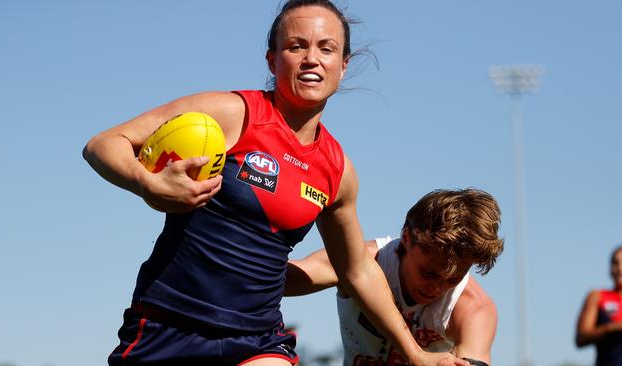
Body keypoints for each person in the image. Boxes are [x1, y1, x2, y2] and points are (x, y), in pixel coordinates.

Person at [83, 1, 469, 365]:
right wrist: (145, 182)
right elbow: (103, 144)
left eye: (326, 48)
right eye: (296, 46)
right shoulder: (231, 113)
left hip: (257, 340)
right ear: (273, 59)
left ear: (344, 64)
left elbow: (356, 269)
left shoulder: (337, 171)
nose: (311, 59)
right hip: (167, 327)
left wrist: (416, 355)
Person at [286, 188, 504, 366]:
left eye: (453, 278)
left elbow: (473, 358)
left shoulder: (473, 308)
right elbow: (274, 277)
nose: (437, 288)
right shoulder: (363, 262)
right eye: (429, 272)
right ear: (407, 238)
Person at [575, 245, 622, 365]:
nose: (621, 268)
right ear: (610, 269)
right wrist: (613, 328)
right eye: (616, 263)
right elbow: (581, 338)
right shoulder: (597, 297)